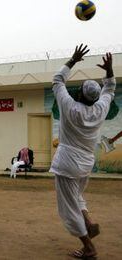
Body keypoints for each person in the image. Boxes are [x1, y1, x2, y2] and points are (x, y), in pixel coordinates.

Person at [50, 44, 115, 259]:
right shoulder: (100, 109)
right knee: (77, 197)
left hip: (68, 162)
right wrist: (109, 71)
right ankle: (87, 221)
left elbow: (58, 80)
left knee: (68, 208)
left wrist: (73, 60)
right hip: (86, 162)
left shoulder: (69, 106)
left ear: (79, 93)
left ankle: (88, 247)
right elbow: (109, 89)